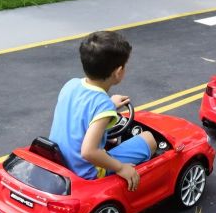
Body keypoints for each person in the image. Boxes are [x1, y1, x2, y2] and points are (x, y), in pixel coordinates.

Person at [48, 31, 157, 189]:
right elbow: (88, 152)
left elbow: (80, 113)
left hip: (61, 162)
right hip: (86, 172)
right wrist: (121, 168)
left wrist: (110, 105)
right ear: (118, 72)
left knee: (108, 140)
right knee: (149, 139)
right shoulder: (102, 106)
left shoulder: (70, 85)